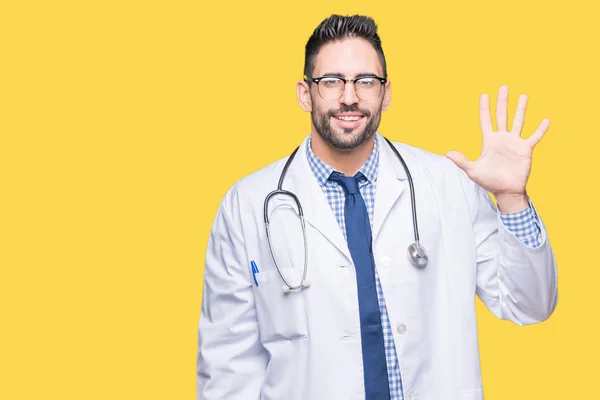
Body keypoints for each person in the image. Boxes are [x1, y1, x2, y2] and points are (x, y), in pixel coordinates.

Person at [196, 14, 558, 400]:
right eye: (331, 81)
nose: (349, 97)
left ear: (386, 93)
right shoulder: (247, 204)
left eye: (366, 81)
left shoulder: (447, 183)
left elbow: (531, 304)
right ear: (305, 93)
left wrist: (511, 199)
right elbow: (228, 368)